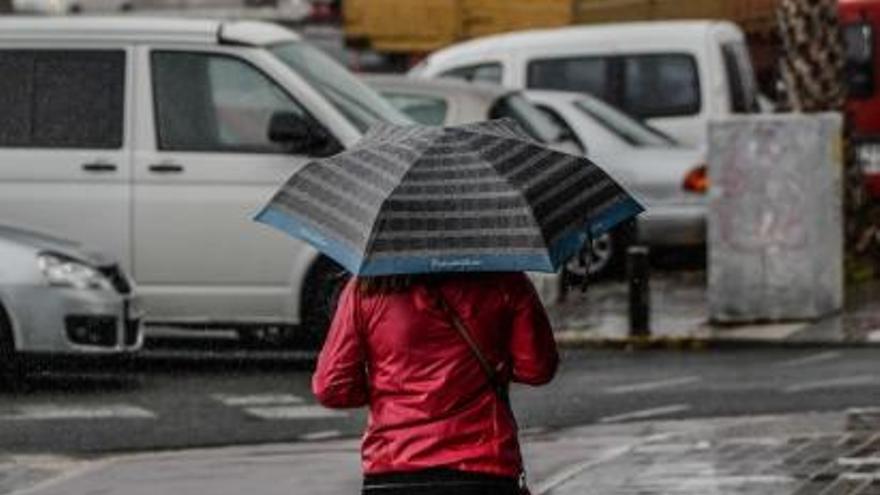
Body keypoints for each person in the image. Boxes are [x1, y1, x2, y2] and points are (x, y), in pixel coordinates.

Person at [312, 272, 559, 495]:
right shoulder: (505, 281)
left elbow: (332, 388)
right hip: (484, 467)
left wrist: (389, 393)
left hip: (394, 468)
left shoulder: (367, 288)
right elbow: (537, 369)